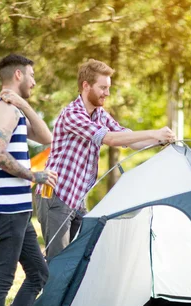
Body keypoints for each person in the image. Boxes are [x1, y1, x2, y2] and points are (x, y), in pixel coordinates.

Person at [26, 58, 176, 260]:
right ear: (86, 86)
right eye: (103, 88)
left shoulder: (100, 115)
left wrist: (160, 141)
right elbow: (111, 138)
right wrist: (154, 132)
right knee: (58, 262)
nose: (107, 93)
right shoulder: (72, 114)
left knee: (80, 260)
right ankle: (47, 291)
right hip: (57, 197)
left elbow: (128, 139)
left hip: (77, 200)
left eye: (108, 88)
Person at [0, 54, 57, 306]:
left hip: (19, 211)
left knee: (38, 274)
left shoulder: (15, 110)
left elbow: (47, 137)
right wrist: (33, 175)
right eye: (31, 76)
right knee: (2, 279)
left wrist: (23, 103)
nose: (34, 82)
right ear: (18, 76)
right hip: (7, 209)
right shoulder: (5, 111)